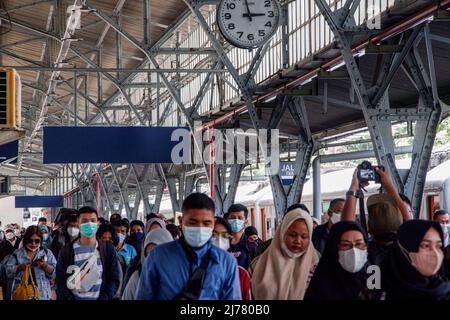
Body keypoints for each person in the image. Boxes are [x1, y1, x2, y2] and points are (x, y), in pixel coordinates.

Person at [136, 193, 241, 300]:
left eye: (206, 223)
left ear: (214, 223)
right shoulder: (157, 257)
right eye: (193, 222)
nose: (200, 228)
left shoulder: (227, 262)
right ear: (181, 221)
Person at [342, 168, 409, 266]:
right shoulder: (407, 248)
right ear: (401, 224)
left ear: (369, 227)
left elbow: (345, 225)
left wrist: (354, 187)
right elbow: (408, 221)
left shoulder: (362, 252)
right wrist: (390, 185)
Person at [251, 208, 319, 299]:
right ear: (282, 233)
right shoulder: (258, 265)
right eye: (292, 235)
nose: (298, 241)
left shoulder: (318, 267)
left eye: (304, 236)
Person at [56, 206, 120, 300]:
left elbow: (113, 279)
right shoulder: (66, 251)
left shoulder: (107, 249)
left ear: (98, 224)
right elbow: (61, 281)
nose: (89, 224)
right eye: (85, 221)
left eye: (93, 220)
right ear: (78, 224)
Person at [380, 220, 450, 300]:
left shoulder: (442, 288)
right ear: (403, 249)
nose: (436, 254)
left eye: (438, 246)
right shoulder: (379, 291)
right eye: (426, 245)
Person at [304, 221, 370, 300]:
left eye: (359, 244)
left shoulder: (372, 278)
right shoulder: (321, 287)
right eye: (346, 245)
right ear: (334, 249)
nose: (353, 251)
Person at [3, 226, 57, 300]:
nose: (33, 244)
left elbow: (55, 273)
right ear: (25, 240)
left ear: (41, 241)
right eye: (30, 240)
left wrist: (45, 265)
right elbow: (7, 271)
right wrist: (19, 268)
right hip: (21, 294)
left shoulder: (47, 253)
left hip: (42, 295)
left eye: (37, 241)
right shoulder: (17, 254)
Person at [122, 228, 173, 300]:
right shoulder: (137, 278)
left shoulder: (182, 277)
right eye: (149, 254)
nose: (153, 259)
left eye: (158, 252)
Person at [213, 217, 252, 300]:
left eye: (224, 236)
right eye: (213, 235)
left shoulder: (241, 274)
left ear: (229, 240)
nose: (219, 240)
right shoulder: (191, 270)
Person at [226, 204, 251, 269]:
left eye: (240, 218)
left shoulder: (251, 246)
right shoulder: (221, 243)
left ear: (246, 222)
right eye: (232, 218)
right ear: (227, 220)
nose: (236, 221)